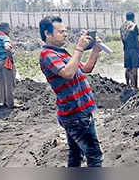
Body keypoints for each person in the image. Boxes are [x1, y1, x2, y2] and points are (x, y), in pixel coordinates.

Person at [39, 16, 103, 167]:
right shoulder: (47, 55)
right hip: (75, 114)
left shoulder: (62, 53)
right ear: (48, 34)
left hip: (77, 112)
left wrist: (95, 50)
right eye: (61, 32)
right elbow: (67, 73)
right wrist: (79, 48)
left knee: (75, 155)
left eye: (65, 31)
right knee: (94, 156)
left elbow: (86, 69)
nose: (65, 34)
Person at [0, 22, 15, 108]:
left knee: (1, 83)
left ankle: (3, 102)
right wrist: (11, 58)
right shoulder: (5, 38)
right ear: (5, 28)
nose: (9, 30)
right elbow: (7, 47)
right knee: (9, 83)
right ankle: (10, 104)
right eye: (9, 28)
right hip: (5, 63)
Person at [120, 12, 139, 89]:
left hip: (126, 49)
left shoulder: (122, 27)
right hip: (134, 49)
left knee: (127, 67)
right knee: (134, 68)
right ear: (133, 17)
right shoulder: (134, 26)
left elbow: (122, 40)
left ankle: (128, 85)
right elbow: (136, 40)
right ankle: (135, 86)